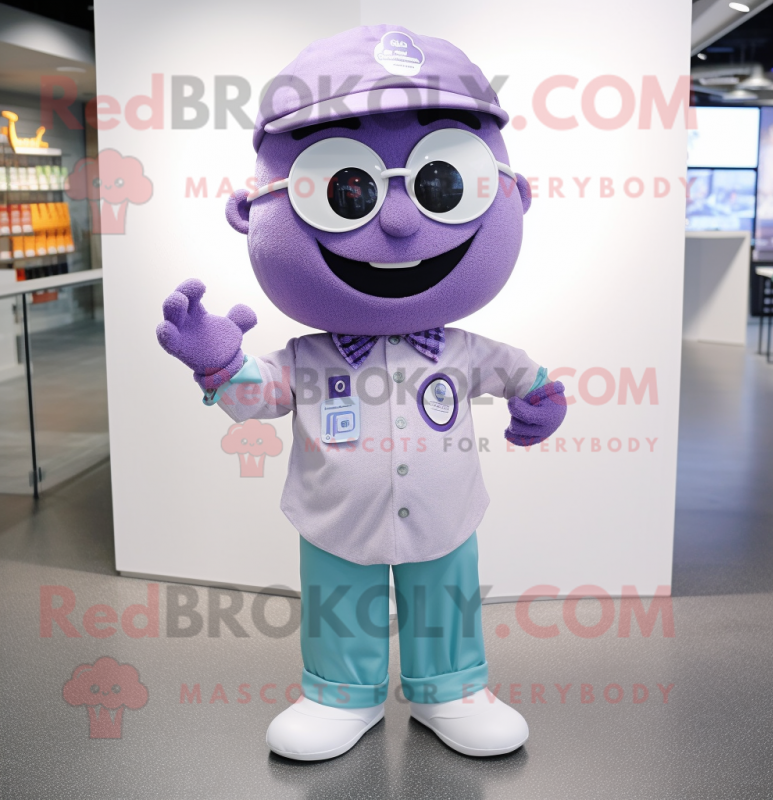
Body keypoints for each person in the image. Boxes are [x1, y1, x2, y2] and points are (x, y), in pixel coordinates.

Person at [157, 24, 567, 761]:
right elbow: (257, 398)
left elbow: (517, 373)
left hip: (445, 517)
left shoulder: (463, 350)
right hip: (335, 521)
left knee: (445, 596)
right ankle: (339, 695)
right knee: (338, 603)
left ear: (516, 194)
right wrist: (219, 362)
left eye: (439, 184)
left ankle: (452, 689)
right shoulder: (307, 359)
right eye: (348, 191)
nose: (401, 220)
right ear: (250, 211)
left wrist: (538, 398)